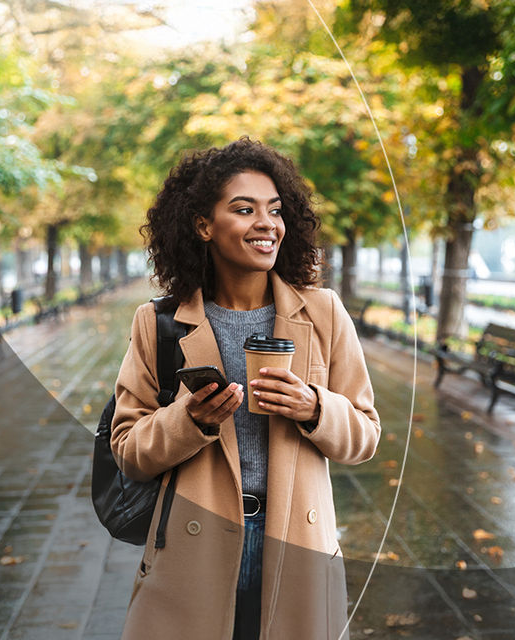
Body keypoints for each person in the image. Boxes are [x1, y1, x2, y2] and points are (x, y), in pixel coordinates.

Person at [111, 138, 380, 640]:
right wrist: (189, 421)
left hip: (296, 539)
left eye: (275, 210)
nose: (266, 223)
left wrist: (314, 407)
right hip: (196, 547)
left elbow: (365, 435)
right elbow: (128, 450)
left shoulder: (323, 313)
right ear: (203, 226)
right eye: (244, 209)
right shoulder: (158, 323)